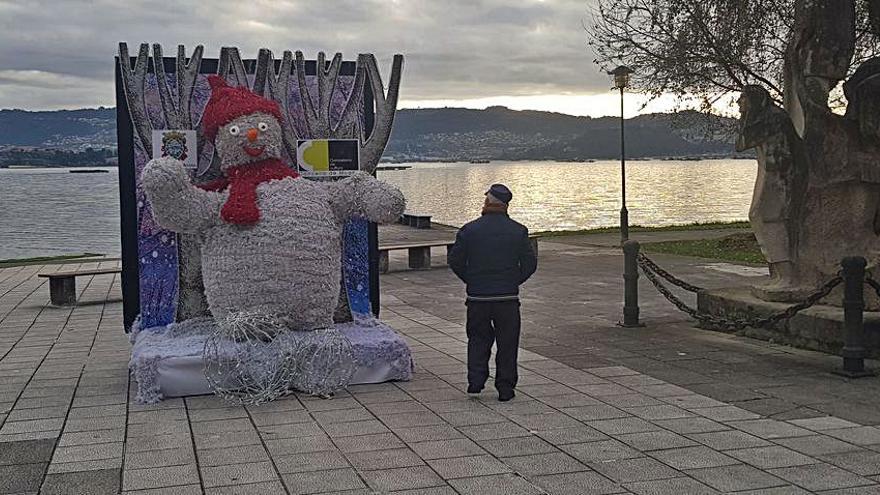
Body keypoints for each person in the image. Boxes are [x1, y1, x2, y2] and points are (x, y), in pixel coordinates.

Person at [448, 184, 537, 401]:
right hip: (507, 298)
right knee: (508, 342)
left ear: (488, 202)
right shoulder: (518, 231)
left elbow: (455, 260)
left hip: (478, 297)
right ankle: (505, 388)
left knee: (478, 338)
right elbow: (530, 263)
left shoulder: (469, 230)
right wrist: (514, 280)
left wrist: (471, 279)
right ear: (505, 205)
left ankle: (476, 381)